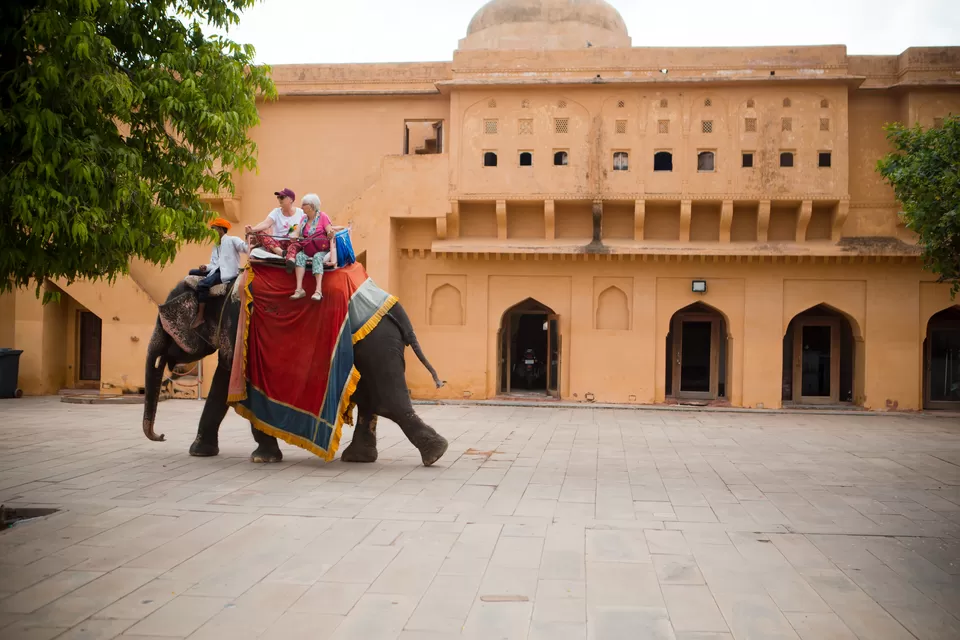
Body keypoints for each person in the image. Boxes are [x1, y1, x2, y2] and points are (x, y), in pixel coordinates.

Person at [189, 218, 248, 328]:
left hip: (225, 273)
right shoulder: (216, 245)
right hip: (215, 270)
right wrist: (205, 267)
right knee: (191, 272)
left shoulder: (232, 240)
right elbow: (213, 264)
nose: (212, 232)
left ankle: (200, 316)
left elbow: (245, 248)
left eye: (214, 229)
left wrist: (249, 238)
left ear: (221, 230)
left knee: (202, 285)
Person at [290, 194, 338, 301]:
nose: (301, 207)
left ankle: (318, 291)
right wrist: (293, 236)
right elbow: (297, 232)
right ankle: (299, 289)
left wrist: (330, 233)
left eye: (304, 205)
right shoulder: (303, 218)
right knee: (299, 256)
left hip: (321, 249)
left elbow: (330, 231)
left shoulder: (323, 216)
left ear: (311, 206)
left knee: (317, 257)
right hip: (308, 248)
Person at [245, 188, 304, 271]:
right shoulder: (276, 212)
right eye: (278, 197)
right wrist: (252, 229)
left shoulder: (301, 213)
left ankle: (290, 261)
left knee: (296, 245)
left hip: (293, 242)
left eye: (282, 197)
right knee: (259, 232)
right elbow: (266, 223)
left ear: (290, 199)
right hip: (276, 244)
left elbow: (308, 226)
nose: (279, 199)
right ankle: (281, 253)